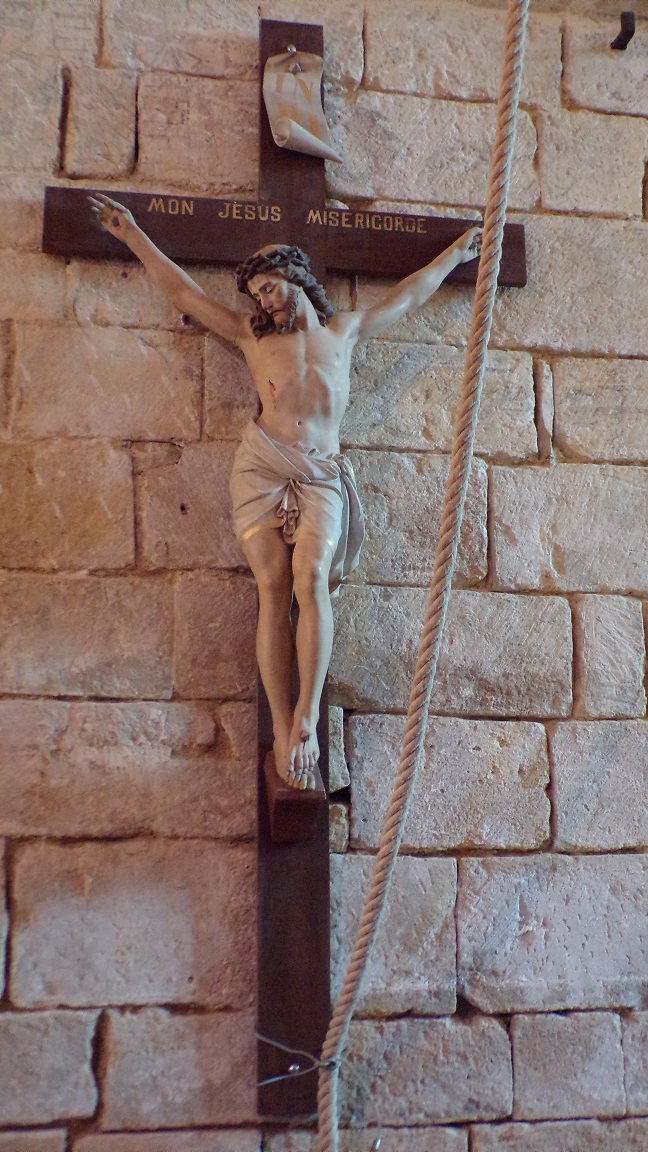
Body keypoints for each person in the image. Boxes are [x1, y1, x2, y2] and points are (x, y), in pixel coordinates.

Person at [89, 193, 481, 793]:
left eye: (270, 287)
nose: (263, 300)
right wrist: (134, 235)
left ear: (296, 279)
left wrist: (454, 257)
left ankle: (307, 720)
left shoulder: (344, 331)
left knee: (312, 578)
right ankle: (280, 722)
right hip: (262, 466)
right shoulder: (251, 336)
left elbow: (406, 296)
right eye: (257, 294)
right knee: (272, 585)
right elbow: (186, 295)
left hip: (320, 470)